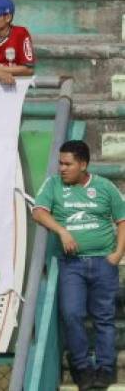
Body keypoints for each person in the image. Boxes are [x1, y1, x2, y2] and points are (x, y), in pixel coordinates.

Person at [32, 140, 124, 391]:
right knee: (72, 314)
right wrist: (61, 231)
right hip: (71, 265)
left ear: (83, 164)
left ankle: (105, 368)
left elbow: (122, 219)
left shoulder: (105, 187)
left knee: (104, 318)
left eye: (67, 164)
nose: (62, 168)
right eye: (60, 163)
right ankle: (82, 368)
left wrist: (117, 254)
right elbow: (38, 211)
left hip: (104, 262)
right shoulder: (53, 185)